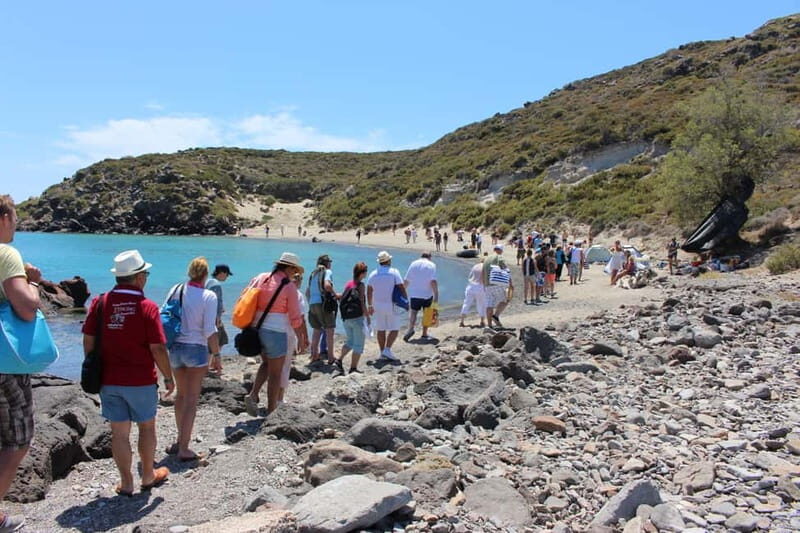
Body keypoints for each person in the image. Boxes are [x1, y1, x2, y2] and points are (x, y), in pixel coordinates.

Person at [82, 249, 174, 497]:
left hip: (109, 379)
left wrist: (91, 366)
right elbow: (158, 348)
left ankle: (126, 483)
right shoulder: (147, 307)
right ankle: (147, 475)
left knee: (119, 433)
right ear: (139, 277)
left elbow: (88, 340)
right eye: (146, 274)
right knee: (146, 428)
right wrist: (168, 376)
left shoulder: (100, 303)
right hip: (141, 379)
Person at [0, 196, 44, 529]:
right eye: (15, 218)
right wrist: (31, 281)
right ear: (3, 219)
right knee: (17, 442)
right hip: (5, 364)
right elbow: (27, 306)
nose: (17, 225)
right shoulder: (6, 253)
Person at [164, 257, 219, 462]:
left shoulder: (175, 289)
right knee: (191, 400)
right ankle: (184, 448)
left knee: (181, 396)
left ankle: (180, 440)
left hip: (176, 348)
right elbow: (209, 330)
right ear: (206, 275)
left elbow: (165, 316)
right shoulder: (209, 296)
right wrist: (217, 354)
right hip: (196, 349)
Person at [245, 253, 309, 416]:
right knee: (276, 372)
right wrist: (301, 338)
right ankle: (272, 409)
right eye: (294, 270)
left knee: (266, 364)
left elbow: (246, 296)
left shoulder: (261, 277)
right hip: (276, 332)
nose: (294, 274)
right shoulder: (288, 286)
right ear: (288, 267)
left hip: (256, 328)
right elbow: (295, 317)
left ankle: (253, 395)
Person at [366, 251, 406, 361]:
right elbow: (401, 286)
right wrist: (406, 300)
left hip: (377, 305)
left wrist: (369, 304)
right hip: (391, 304)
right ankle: (387, 350)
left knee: (381, 329)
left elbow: (369, 290)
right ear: (388, 261)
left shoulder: (373, 274)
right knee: (395, 328)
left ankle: (382, 352)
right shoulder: (394, 272)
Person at [332, 262, 370, 375]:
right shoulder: (361, 285)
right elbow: (362, 302)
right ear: (362, 273)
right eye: (365, 272)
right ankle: (353, 368)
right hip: (357, 318)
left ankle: (339, 360)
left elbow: (342, 296)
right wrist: (367, 316)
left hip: (346, 318)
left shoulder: (349, 284)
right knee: (358, 345)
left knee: (350, 341)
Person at [279, 270, 307, 404]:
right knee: (285, 366)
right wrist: (303, 339)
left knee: (272, 366)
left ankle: (270, 398)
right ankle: (279, 399)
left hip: (274, 331)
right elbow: (300, 319)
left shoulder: (280, 291)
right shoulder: (298, 295)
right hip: (289, 333)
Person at [306, 254, 337, 364]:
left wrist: (311, 303)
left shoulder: (313, 274)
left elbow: (307, 292)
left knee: (316, 330)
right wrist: (335, 295)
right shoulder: (327, 272)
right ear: (328, 263)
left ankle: (314, 355)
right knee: (330, 330)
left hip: (312, 304)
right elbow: (327, 286)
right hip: (322, 304)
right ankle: (330, 357)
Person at [403, 252, 438, 342]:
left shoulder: (413, 263)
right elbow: (433, 281)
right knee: (427, 313)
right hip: (427, 294)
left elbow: (407, 279)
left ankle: (411, 328)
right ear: (430, 257)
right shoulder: (432, 265)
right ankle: (424, 334)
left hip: (415, 293)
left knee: (413, 312)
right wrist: (436, 294)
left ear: (421, 256)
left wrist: (402, 291)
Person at [205, 264, 232, 374]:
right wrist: (218, 319)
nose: (226, 278)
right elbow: (217, 303)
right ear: (222, 273)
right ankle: (209, 366)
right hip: (214, 318)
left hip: (207, 316)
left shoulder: (208, 282)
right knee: (219, 340)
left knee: (216, 341)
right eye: (227, 275)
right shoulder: (216, 285)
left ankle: (212, 364)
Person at [483, 244, 509, 327]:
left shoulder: (486, 259)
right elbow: (505, 269)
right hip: (496, 283)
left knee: (489, 304)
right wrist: (509, 282)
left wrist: (484, 284)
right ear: (500, 250)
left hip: (487, 284)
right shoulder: (499, 257)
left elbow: (483, 272)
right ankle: (496, 316)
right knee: (506, 300)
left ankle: (489, 324)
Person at [459, 257, 486, 327]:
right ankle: (482, 321)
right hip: (480, 286)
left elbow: (470, 276)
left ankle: (462, 321)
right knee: (481, 304)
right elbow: (484, 278)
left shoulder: (475, 266)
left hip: (471, 286)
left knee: (466, 303)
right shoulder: (486, 267)